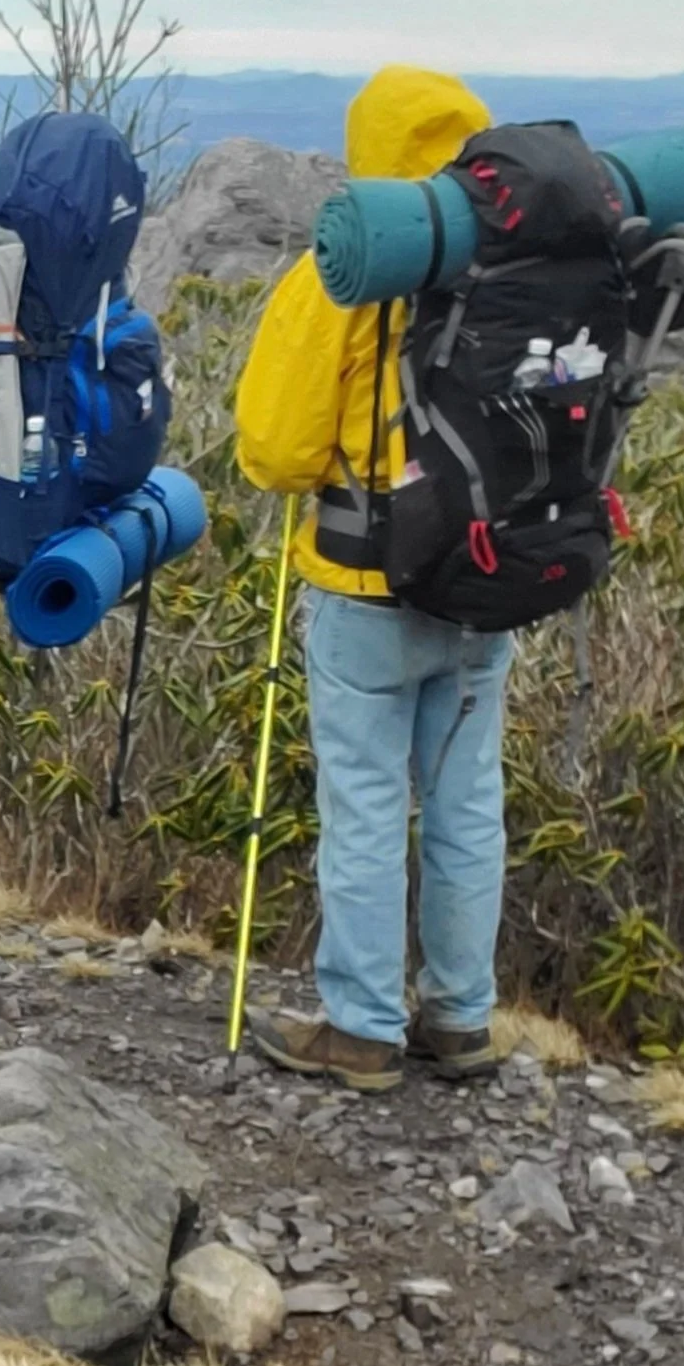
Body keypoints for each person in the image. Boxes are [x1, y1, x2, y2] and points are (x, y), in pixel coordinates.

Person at [234, 64, 508, 1094]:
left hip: (363, 580)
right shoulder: (508, 266)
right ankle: (462, 1018)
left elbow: (277, 444)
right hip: (489, 580)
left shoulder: (349, 269)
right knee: (465, 803)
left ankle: (361, 1028)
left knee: (362, 803)